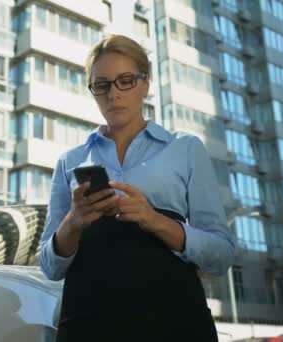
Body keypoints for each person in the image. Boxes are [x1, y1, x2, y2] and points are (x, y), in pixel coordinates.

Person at [39, 34, 236, 341]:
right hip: (86, 325)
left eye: (125, 80)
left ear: (145, 83)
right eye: (102, 85)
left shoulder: (184, 149)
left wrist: (153, 219)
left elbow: (221, 255)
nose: (113, 94)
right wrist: (73, 223)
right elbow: (49, 267)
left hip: (174, 321)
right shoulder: (70, 161)